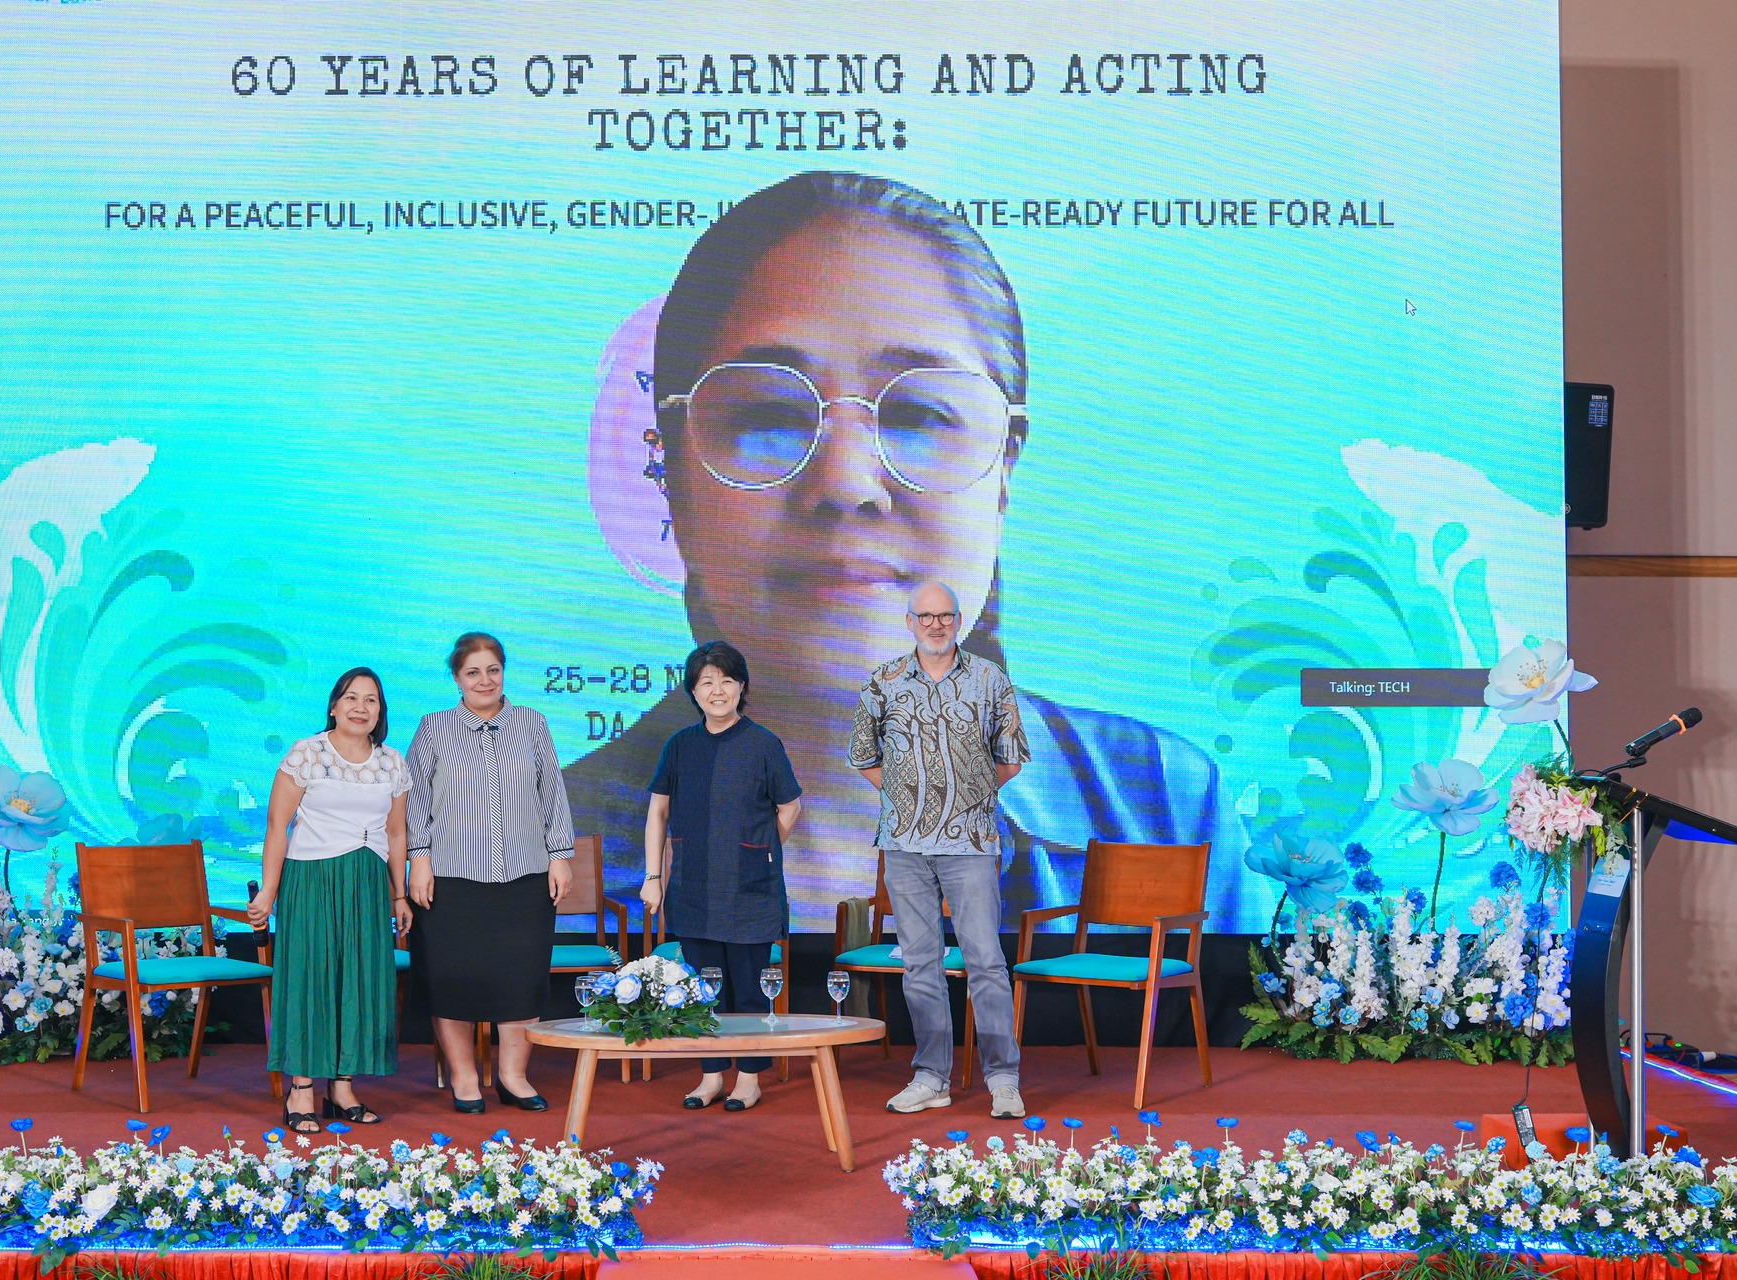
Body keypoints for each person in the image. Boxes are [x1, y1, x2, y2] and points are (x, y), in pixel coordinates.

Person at [564, 170, 1249, 934]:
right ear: (673, 479)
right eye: (768, 414)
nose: (846, 483)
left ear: (1004, 471)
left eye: (920, 414)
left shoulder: (1164, 806)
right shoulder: (538, 836)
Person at [850, 581, 1029, 1118]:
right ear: (909, 622)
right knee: (919, 965)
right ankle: (932, 1077)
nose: (935, 625)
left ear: (958, 620)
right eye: (925, 616)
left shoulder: (989, 679)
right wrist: (911, 800)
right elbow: (863, 756)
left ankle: (1003, 1079)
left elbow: (1011, 757)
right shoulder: (882, 681)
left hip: (970, 844)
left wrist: (964, 797)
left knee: (986, 961)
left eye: (945, 615)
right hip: (904, 846)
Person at [405, 632, 575, 1113]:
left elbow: (551, 792)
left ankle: (513, 1077)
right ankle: (464, 1078)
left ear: (504, 672)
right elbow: (414, 799)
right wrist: (419, 857)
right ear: (457, 678)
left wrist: (560, 855)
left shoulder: (532, 723)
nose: (485, 680)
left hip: (525, 876)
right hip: (450, 880)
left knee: (520, 980)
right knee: (451, 979)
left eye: (493, 670)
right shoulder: (434, 727)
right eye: (473, 672)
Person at [247, 667, 411, 1133]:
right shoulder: (308, 753)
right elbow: (277, 825)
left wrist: (399, 893)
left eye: (371, 700)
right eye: (351, 698)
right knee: (310, 977)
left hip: (367, 883)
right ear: (334, 706)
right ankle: (301, 1089)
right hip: (312, 878)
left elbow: (396, 833)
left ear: (380, 711)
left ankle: (342, 1088)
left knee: (358, 980)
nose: (361, 707)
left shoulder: (392, 762)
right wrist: (269, 891)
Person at [640, 640, 802, 1112]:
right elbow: (658, 812)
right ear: (693, 691)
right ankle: (711, 1076)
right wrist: (653, 876)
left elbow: (790, 806)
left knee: (748, 989)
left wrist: (761, 851)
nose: (717, 690)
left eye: (727, 681)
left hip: (750, 891)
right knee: (702, 988)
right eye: (707, 682)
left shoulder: (763, 743)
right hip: (693, 886)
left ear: (741, 687)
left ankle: (748, 1079)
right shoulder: (680, 745)